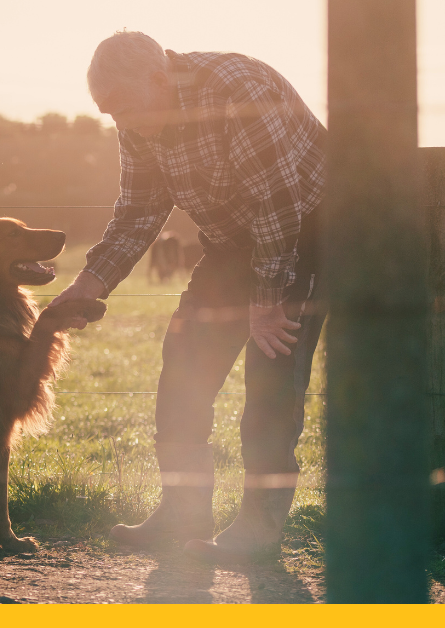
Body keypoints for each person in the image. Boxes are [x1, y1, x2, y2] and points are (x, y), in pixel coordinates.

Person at [50, 31, 327, 561]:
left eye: (124, 109)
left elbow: (278, 206)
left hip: (308, 232)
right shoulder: (138, 119)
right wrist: (90, 282)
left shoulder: (236, 90)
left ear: (159, 80)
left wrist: (266, 303)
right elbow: (138, 212)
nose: (120, 124)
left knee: (271, 373)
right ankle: (183, 512)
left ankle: (258, 529)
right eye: (108, 113)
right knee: (183, 361)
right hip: (232, 242)